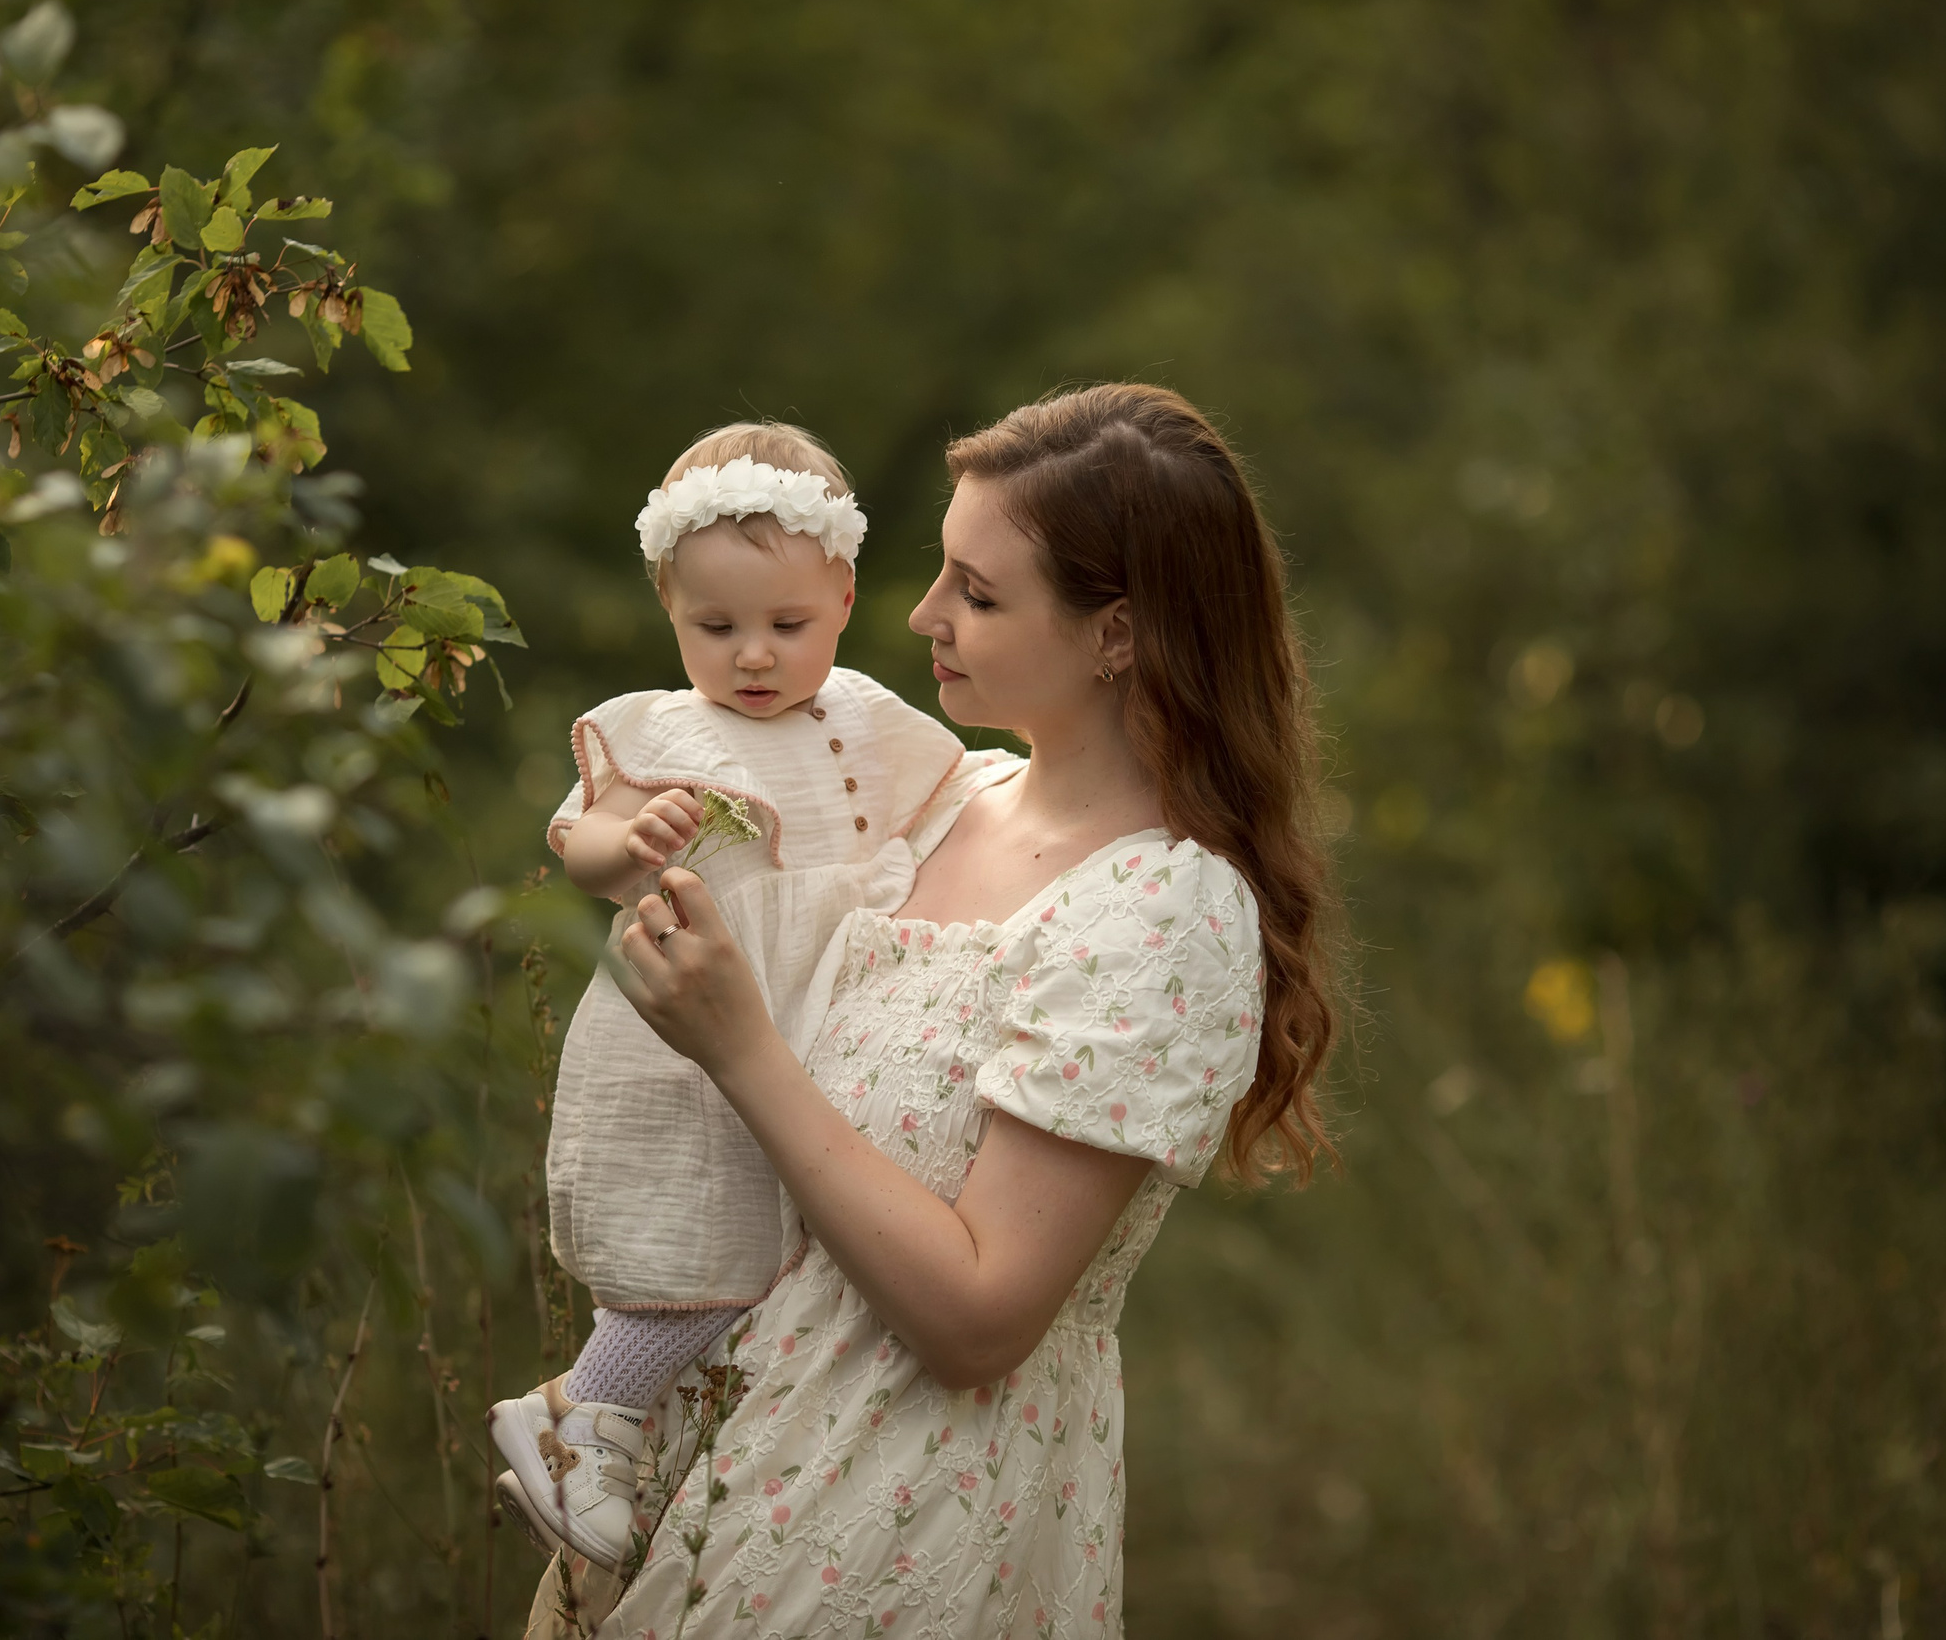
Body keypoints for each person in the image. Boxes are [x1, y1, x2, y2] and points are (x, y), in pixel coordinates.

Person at [537, 383, 1340, 1636]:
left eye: (978, 591)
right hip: (697, 1474)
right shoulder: (937, 800)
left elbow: (979, 1320)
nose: (923, 617)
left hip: (894, 1520)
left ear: (1115, 631)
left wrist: (737, 1044)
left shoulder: (1159, 910)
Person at [490, 423, 967, 1572]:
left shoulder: (867, 717)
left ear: (844, 598)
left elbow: (954, 800)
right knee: (702, 1236)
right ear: (668, 607)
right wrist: (629, 842)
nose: (752, 655)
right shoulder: (663, 728)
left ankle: (627, 1436)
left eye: (785, 626)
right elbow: (581, 847)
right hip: (689, 1031)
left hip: (818, 1020)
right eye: (716, 627)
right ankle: (583, 1413)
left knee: (800, 1253)